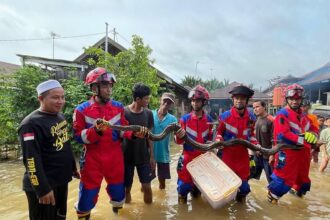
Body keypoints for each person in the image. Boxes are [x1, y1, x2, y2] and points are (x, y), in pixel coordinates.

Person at [73, 68, 147, 219]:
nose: (109, 90)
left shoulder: (118, 107)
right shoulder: (81, 110)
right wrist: (96, 131)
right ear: (94, 88)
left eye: (110, 86)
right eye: (105, 86)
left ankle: (118, 216)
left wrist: (133, 134)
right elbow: (78, 137)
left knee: (118, 195)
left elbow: (123, 130)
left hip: (115, 158)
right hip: (92, 159)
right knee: (86, 199)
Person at [19, 80, 79, 220]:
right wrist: (42, 190)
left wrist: (72, 167)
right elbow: (31, 160)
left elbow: (64, 143)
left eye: (62, 97)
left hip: (60, 180)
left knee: (60, 217)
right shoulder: (30, 124)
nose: (61, 101)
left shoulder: (60, 116)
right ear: (41, 98)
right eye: (55, 97)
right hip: (44, 185)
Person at [267, 83, 318, 204]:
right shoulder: (282, 114)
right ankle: (272, 206)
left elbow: (314, 129)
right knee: (281, 183)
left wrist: (314, 136)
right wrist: (305, 140)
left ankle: (297, 208)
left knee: (303, 183)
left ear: (301, 100)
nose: (295, 101)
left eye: (298, 99)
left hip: (304, 156)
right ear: (287, 99)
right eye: (292, 99)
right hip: (287, 155)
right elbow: (283, 134)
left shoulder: (306, 117)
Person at [217, 85, 258, 202]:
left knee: (244, 188)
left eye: (242, 98)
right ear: (233, 100)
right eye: (237, 98)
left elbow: (251, 135)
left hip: (242, 157)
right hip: (227, 156)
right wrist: (218, 140)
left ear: (246, 101)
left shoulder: (251, 117)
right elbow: (219, 133)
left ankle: (241, 211)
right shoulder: (224, 116)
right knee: (225, 187)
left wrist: (256, 145)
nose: (239, 100)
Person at [175, 85, 213, 204]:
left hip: (203, 159)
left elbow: (211, 139)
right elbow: (178, 141)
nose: (195, 103)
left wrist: (214, 144)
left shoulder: (210, 120)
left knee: (198, 190)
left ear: (203, 102)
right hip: (187, 157)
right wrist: (179, 136)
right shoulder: (184, 119)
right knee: (183, 188)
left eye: (197, 101)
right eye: (193, 101)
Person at [122, 83, 155, 204]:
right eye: (146, 98)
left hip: (143, 157)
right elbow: (120, 135)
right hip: (127, 157)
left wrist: (152, 156)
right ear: (137, 99)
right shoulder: (124, 112)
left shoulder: (148, 113)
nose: (148, 100)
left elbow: (150, 137)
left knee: (147, 187)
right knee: (127, 189)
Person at [151, 92, 178, 189]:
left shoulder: (173, 120)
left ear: (171, 105)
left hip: (164, 155)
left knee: (162, 184)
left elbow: (176, 139)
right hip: (150, 154)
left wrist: (179, 135)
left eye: (169, 102)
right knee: (146, 182)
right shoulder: (150, 114)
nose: (166, 104)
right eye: (164, 101)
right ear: (160, 100)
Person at [252, 100, 274, 183]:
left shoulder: (271, 120)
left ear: (264, 107)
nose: (255, 109)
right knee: (251, 176)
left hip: (267, 155)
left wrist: (272, 154)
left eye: (257, 107)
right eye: (254, 107)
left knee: (271, 179)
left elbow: (274, 139)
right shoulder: (256, 120)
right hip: (257, 154)